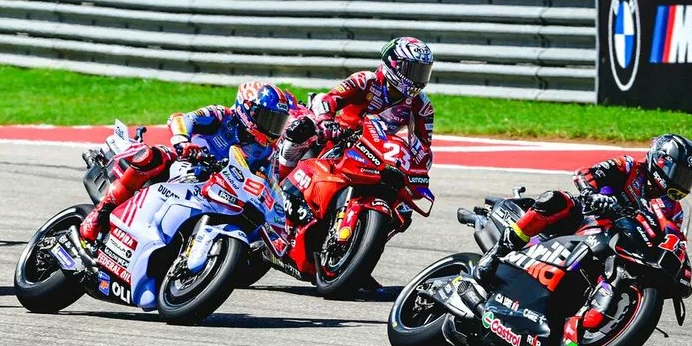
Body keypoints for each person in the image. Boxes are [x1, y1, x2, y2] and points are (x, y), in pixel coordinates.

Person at [463, 134, 692, 346]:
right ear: (661, 162)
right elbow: (586, 174)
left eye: (688, 178)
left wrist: (680, 267)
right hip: (585, 218)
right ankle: (497, 252)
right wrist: (592, 193)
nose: (682, 183)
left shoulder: (673, 209)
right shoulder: (629, 167)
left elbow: (674, 237)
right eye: (680, 174)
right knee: (556, 199)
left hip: (618, 242)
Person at [77, 82, 296, 244]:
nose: (272, 127)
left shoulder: (266, 150)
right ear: (248, 109)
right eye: (268, 118)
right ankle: (101, 213)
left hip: (220, 188)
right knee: (151, 157)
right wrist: (183, 141)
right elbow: (181, 118)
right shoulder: (223, 115)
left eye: (277, 122)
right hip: (185, 163)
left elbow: (269, 181)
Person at [275, 37, 435, 224]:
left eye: (423, 72)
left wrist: (414, 171)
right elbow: (328, 99)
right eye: (412, 70)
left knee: (403, 215)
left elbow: (423, 149)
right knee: (301, 129)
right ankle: (276, 183)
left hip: (377, 153)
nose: (417, 79)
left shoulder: (422, 105)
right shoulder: (366, 81)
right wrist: (326, 121)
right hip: (339, 138)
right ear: (393, 64)